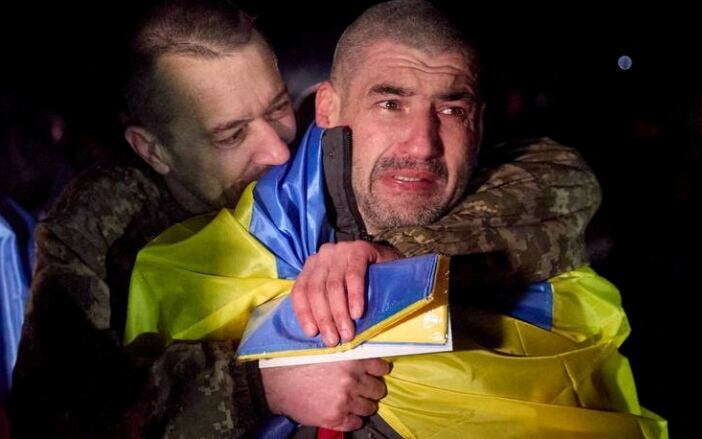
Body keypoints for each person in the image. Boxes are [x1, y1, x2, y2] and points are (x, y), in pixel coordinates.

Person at [126, 1, 666, 437]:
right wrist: (259, 386)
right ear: (330, 108)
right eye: (391, 104)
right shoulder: (148, 252)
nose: (422, 142)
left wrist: (397, 266)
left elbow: (564, 181)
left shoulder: (520, 201)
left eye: (452, 110)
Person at [7, 1, 386, 437]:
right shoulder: (103, 221)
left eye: (278, 108)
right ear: (153, 151)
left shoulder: (326, 148)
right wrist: (257, 385)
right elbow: (51, 414)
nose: (277, 151)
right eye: (232, 134)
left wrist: (383, 254)